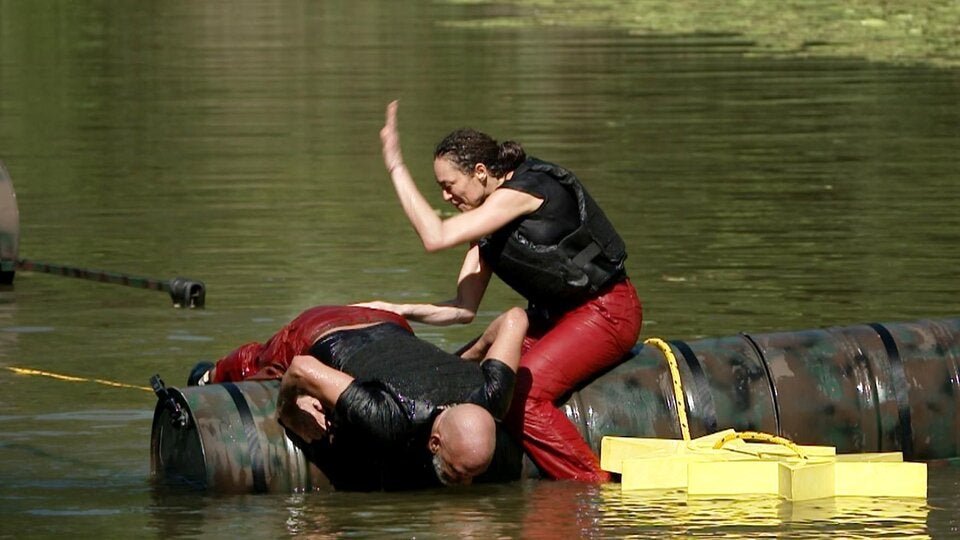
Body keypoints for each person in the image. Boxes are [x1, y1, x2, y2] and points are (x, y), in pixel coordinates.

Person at [355, 101, 643, 483]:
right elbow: (462, 309)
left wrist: (396, 165)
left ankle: (592, 487)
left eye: (448, 186)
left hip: (607, 312)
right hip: (553, 321)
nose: (445, 197)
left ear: (479, 172)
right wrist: (391, 308)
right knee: (466, 375)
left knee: (524, 394)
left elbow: (435, 236)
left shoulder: (525, 190)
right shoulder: (487, 228)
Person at [191, 304, 527, 490]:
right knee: (259, 363)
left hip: (388, 321)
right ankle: (207, 373)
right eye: (457, 474)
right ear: (435, 443)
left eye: (472, 475)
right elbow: (301, 368)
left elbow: (514, 318)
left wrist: (461, 361)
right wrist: (288, 410)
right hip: (323, 328)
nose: (465, 486)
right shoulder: (387, 416)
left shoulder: (492, 396)